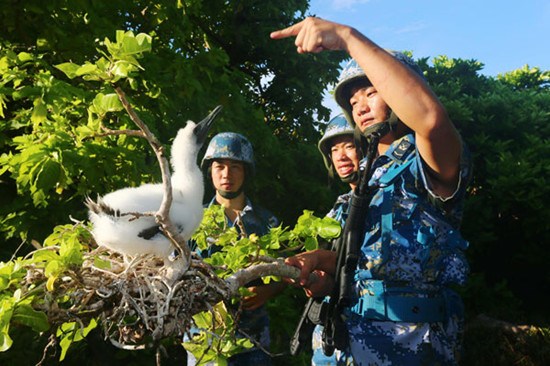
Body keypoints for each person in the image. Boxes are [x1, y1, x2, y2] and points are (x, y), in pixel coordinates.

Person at [271, 18, 472, 365]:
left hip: (409, 348)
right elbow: (371, 264)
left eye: (371, 92)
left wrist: (347, 37)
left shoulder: (426, 163)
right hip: (346, 346)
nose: (359, 106)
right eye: (352, 100)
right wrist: (324, 268)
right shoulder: (367, 183)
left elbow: (430, 119)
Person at [188, 132, 285, 366]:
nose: (226, 175)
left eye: (235, 167)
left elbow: (287, 272)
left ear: (246, 172)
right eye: (219, 166)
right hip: (205, 341)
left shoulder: (267, 222)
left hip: (254, 341)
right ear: (210, 170)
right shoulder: (191, 219)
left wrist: (267, 292)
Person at [312, 114, 360, 366]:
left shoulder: (386, 201)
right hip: (332, 338)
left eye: (349, 146)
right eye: (334, 149)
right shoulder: (338, 209)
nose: (340, 156)